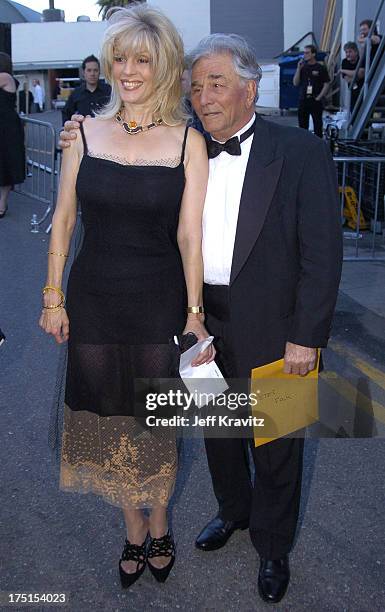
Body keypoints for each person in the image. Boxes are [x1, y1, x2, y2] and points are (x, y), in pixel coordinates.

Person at [60, 33, 342, 604]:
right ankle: (233, 512)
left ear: (251, 88)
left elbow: (322, 254)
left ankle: (272, 545)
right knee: (218, 430)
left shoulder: (300, 152)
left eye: (218, 83)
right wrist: (78, 134)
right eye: (197, 84)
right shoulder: (183, 143)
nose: (205, 95)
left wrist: (306, 338)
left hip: (274, 322)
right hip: (197, 318)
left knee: (277, 439)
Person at [40, 5, 212, 589]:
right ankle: (133, 526)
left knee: (154, 421)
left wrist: (195, 314)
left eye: (143, 59)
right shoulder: (82, 132)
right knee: (109, 415)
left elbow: (191, 235)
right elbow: (63, 220)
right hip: (94, 300)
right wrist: (52, 297)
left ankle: (159, 514)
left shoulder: (189, 141)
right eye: (121, 58)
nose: (130, 70)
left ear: (163, 67)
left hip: (158, 302)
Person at [0, 52, 25, 218]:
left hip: (6, 127)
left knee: (6, 164)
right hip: (5, 126)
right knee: (4, 164)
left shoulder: (4, 77)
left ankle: (1, 204)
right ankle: (1, 203)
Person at [293, 44, 330, 138]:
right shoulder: (303, 67)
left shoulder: (320, 68)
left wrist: (319, 97)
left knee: (317, 125)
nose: (305, 55)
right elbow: (295, 83)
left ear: (313, 54)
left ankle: (317, 146)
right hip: (304, 99)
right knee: (302, 126)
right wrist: (298, 69)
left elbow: (326, 83)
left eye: (307, 53)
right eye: (304, 53)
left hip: (315, 100)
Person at [62, 54, 111, 123]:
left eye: (95, 70)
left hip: (106, 132)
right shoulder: (76, 93)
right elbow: (66, 113)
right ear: (83, 72)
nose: (92, 74)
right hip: (84, 133)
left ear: (99, 72)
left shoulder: (109, 91)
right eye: (89, 70)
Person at [340, 42, 364, 111]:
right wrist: (356, 75)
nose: (347, 54)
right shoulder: (344, 62)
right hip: (353, 91)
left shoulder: (361, 60)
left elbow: (361, 74)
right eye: (346, 52)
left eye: (350, 52)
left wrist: (343, 71)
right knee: (353, 111)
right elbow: (348, 79)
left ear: (356, 52)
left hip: (364, 89)